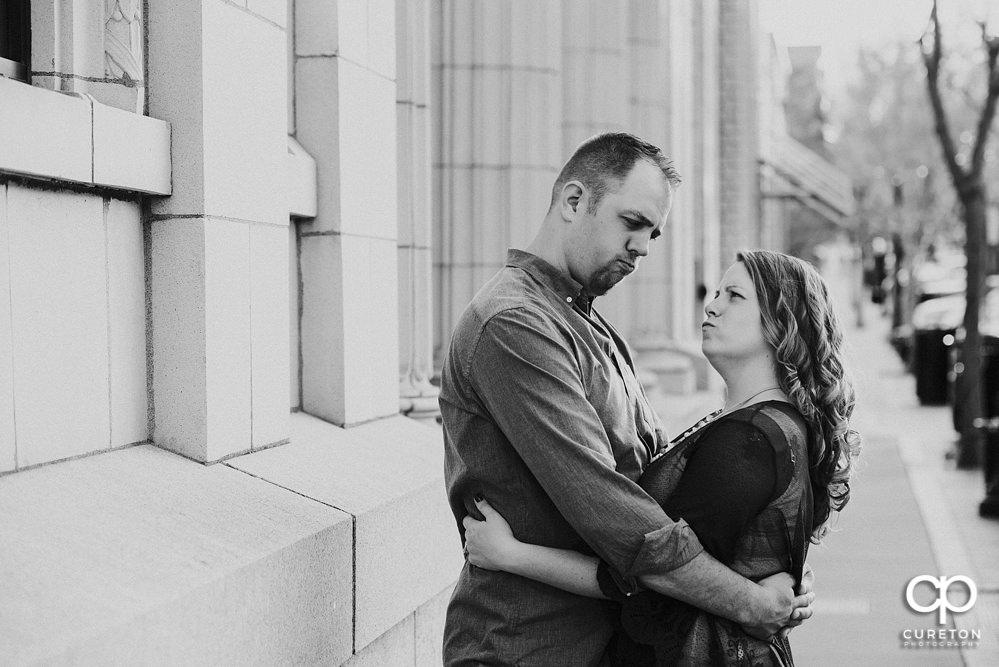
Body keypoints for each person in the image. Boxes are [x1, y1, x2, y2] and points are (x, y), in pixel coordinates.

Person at [439, 132, 814, 666]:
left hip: (605, 643)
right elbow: (617, 512)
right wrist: (750, 602)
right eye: (632, 223)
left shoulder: (585, 322)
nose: (642, 247)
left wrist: (770, 564)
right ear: (574, 201)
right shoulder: (514, 324)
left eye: (653, 233)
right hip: (525, 646)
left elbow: (661, 488)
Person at [462, 249, 862, 665]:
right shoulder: (763, 425)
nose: (712, 305)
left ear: (781, 325)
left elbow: (652, 575)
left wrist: (511, 555)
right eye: (717, 292)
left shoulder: (751, 438)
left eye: (735, 297)